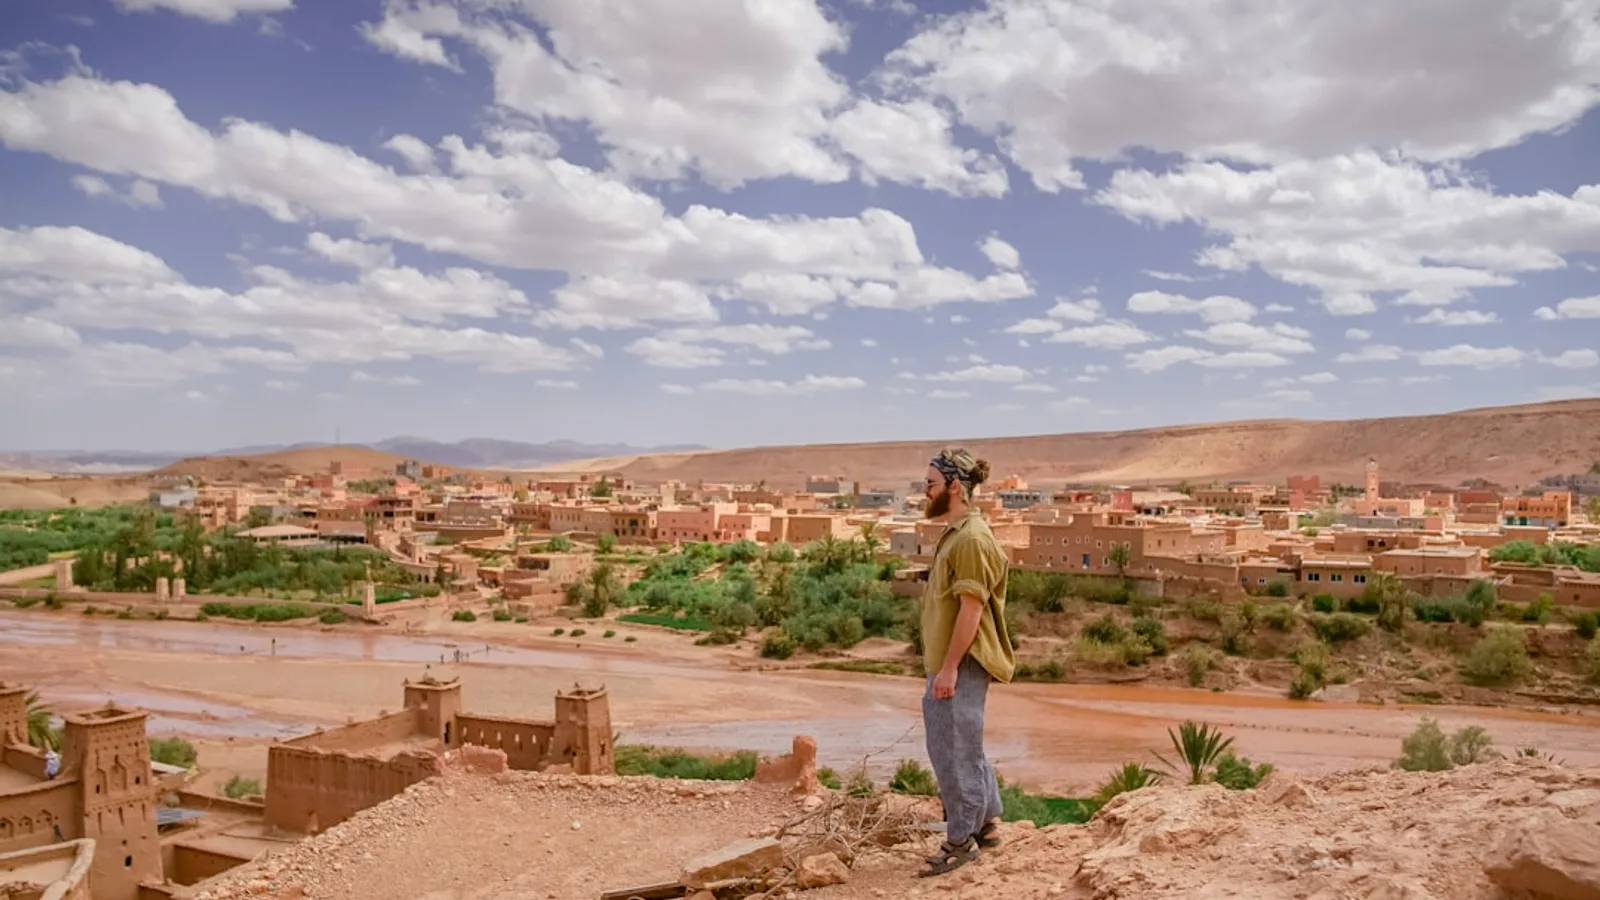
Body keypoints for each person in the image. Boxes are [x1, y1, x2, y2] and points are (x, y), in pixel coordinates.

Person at [917, 448, 1015, 877]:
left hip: (961, 661)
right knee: (965, 744)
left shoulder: (972, 539)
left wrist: (950, 668)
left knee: (951, 753)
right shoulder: (960, 532)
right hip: (953, 660)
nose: (925, 491)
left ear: (955, 487)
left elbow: (971, 611)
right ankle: (988, 823)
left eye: (931, 484)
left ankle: (960, 842)